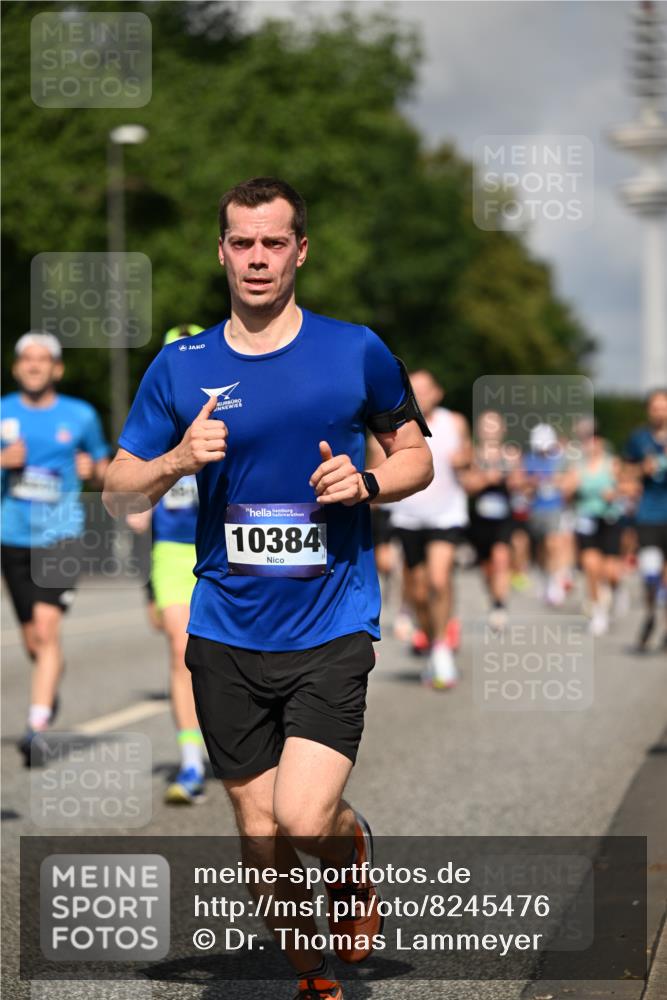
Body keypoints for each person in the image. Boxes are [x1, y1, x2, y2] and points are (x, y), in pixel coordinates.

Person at [102, 177, 433, 1000]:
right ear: (221, 250)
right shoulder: (180, 367)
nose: (257, 259)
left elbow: (417, 458)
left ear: (299, 250)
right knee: (257, 828)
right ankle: (309, 974)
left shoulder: (354, 347)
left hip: (329, 621)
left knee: (303, 819)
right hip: (225, 628)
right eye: (241, 242)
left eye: (273, 242)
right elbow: (116, 489)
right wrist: (177, 460)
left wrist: (367, 482)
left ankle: (351, 855)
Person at [1, 332, 109, 765]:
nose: (33, 365)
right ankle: (48, 690)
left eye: (42, 359)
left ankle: (37, 727)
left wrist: (93, 471)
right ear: (15, 367)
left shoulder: (80, 415)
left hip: (62, 534)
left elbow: (104, 468)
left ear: (56, 369)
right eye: (26, 358)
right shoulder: (2, 412)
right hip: (11, 535)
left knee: (46, 631)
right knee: (33, 641)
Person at [127, 323, 208, 805]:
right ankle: (192, 762)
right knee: (181, 652)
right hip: (173, 554)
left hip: (226, 552)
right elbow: (132, 499)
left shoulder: (232, 414)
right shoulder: (154, 423)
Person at [389, 370, 471, 688]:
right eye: (415, 390)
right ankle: (431, 636)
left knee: (439, 579)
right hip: (407, 516)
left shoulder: (455, 422)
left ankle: (441, 649)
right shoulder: (393, 426)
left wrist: (466, 461)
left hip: (446, 514)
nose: (421, 395)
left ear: (438, 393)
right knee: (418, 592)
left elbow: (469, 460)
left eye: (426, 389)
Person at [563, 419, 625, 636]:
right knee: (590, 566)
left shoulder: (612, 463)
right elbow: (565, 493)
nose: (590, 443)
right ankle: (598, 610)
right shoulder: (576, 466)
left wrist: (615, 493)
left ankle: (614, 591)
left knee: (610, 571)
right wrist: (570, 487)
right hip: (585, 518)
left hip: (609, 519)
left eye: (592, 438)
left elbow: (629, 487)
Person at [462, 410, 520, 632]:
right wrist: (487, 478)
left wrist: (514, 474)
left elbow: (520, 484)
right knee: (487, 567)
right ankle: (494, 597)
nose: (490, 430)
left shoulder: (512, 454)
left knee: (501, 558)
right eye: (486, 425)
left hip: (503, 517)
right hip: (479, 519)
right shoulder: (472, 455)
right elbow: (467, 485)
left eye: (494, 425)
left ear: (502, 430)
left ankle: (500, 605)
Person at [624, 388, 667, 652]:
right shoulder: (638, 439)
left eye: (664, 406)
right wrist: (642, 469)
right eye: (656, 407)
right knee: (650, 572)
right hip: (648, 514)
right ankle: (651, 613)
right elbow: (625, 471)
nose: (660, 411)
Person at [520, 423, 573, 607]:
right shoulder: (529, 459)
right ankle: (544, 577)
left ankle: (554, 583)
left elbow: (568, 481)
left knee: (553, 544)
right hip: (536, 508)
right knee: (541, 547)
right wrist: (530, 483)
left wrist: (559, 482)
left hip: (555, 507)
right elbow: (522, 483)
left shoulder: (559, 459)